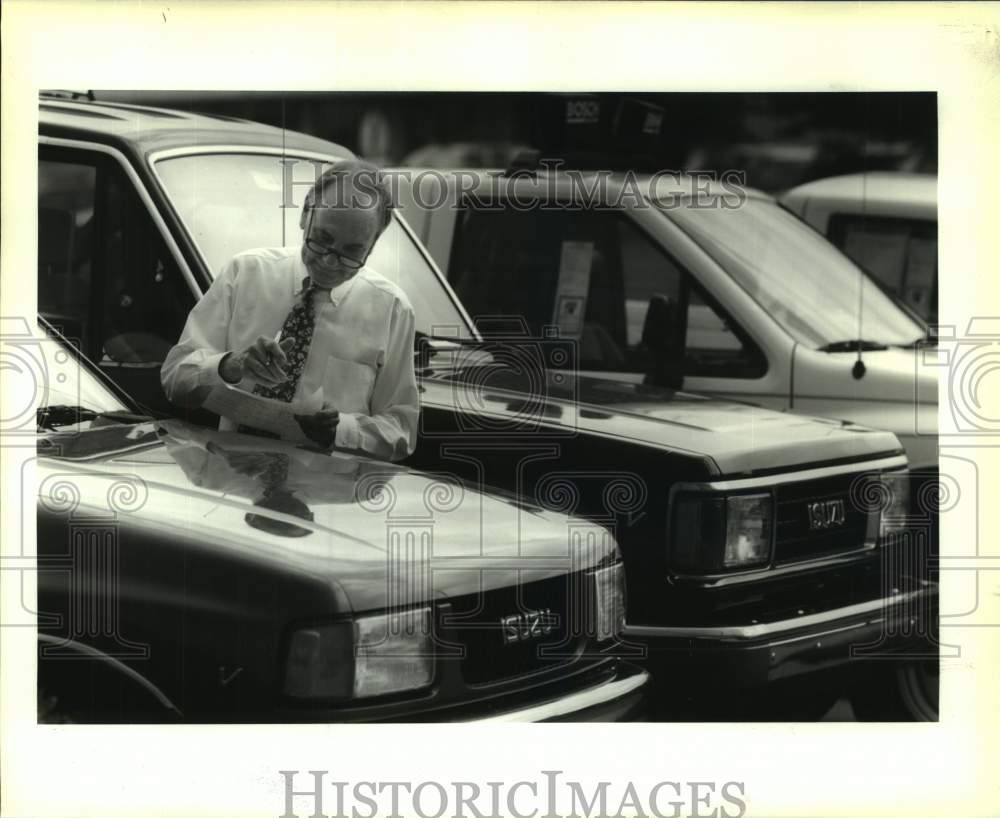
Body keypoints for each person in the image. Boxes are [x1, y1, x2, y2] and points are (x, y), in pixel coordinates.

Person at [160, 159, 419, 462]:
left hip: (324, 495)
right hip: (232, 484)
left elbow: (402, 431)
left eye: (351, 252)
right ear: (305, 214)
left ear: (372, 247)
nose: (330, 261)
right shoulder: (244, 274)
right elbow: (174, 378)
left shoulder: (393, 310)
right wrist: (231, 365)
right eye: (322, 239)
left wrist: (340, 431)